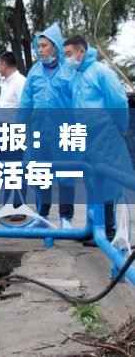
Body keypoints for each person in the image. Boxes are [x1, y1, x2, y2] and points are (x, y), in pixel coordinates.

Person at [63, 35, 131, 242]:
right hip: (85, 135)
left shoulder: (101, 72)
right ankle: (93, 227)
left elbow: (118, 102)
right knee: (90, 181)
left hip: (103, 133)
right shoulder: (77, 75)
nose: (66, 59)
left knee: (106, 179)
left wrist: (120, 127)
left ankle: (107, 229)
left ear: (81, 52)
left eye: (69, 54)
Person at [20, 23, 74, 229]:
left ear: (56, 46)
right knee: (40, 174)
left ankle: (66, 217)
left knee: (66, 174)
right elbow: (26, 103)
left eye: (44, 46)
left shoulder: (69, 69)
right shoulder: (34, 71)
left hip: (65, 130)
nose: (40, 50)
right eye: (38, 46)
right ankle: (42, 216)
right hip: (39, 131)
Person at [0, 52, 27, 217]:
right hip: (3, 130)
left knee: (17, 169)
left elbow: (24, 107)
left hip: (14, 130)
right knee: (6, 169)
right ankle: (8, 206)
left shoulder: (20, 82)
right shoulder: (5, 83)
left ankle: (19, 207)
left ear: (4, 64)